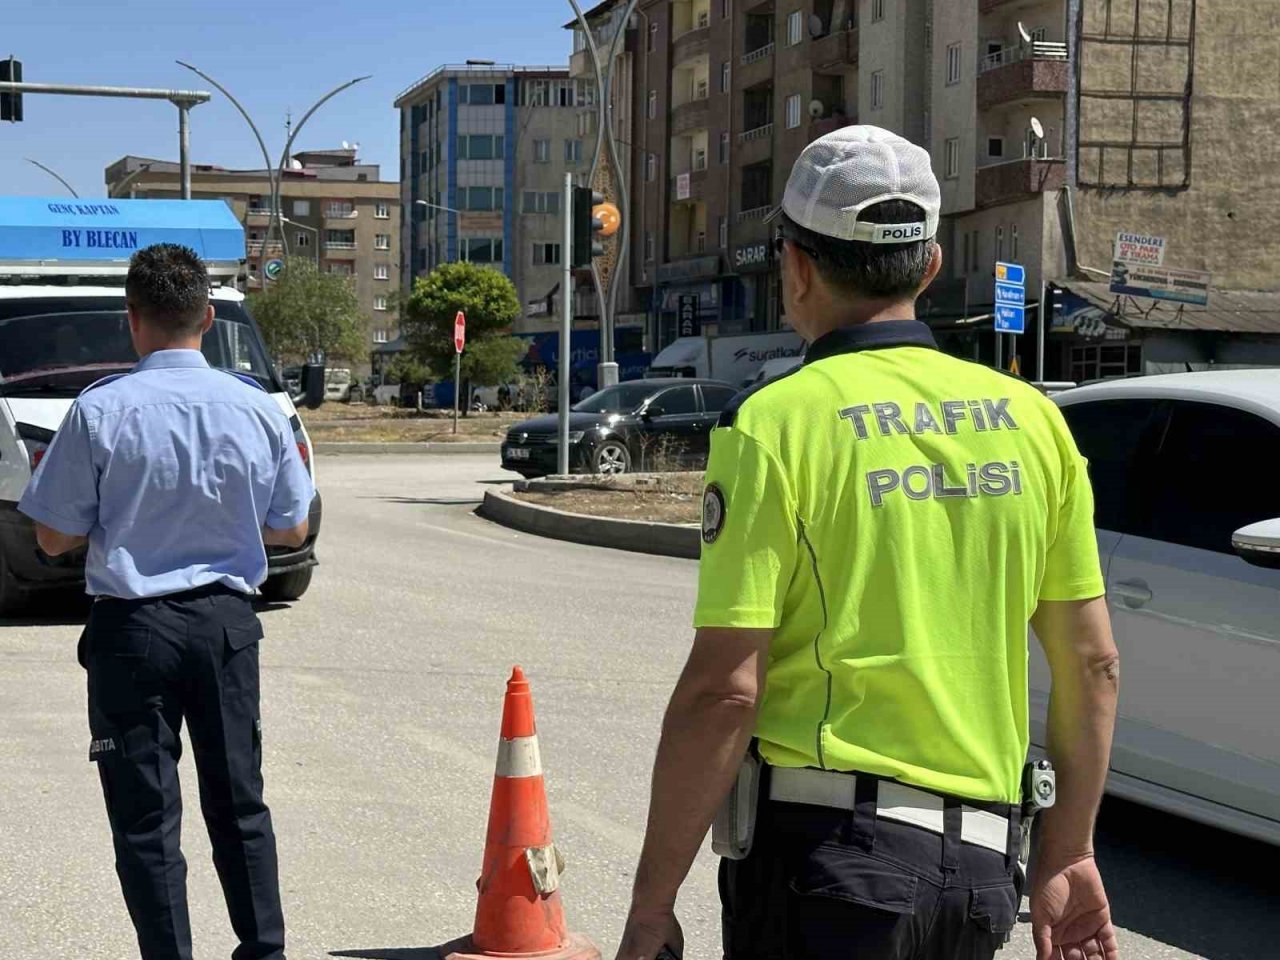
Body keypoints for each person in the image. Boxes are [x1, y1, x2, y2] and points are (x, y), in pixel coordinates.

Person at [616, 126, 1120, 960]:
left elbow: (726, 693)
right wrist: (1069, 852)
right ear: (928, 266)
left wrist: (651, 902)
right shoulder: (1034, 422)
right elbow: (1093, 663)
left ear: (796, 266)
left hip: (831, 872)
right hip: (982, 877)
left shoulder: (774, 424)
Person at [19, 243, 313, 960]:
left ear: (133, 320)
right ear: (208, 318)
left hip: (134, 629)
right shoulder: (257, 409)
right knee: (240, 804)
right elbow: (291, 527)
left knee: (147, 818)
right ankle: (263, 952)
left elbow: (53, 537)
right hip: (226, 625)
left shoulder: (99, 411)